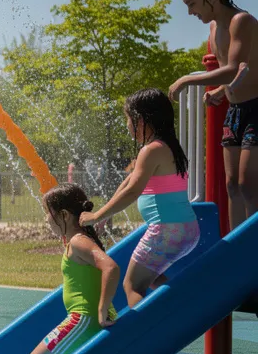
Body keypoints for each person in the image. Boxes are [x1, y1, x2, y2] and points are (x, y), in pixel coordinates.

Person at [80, 89, 198, 307]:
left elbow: (133, 191)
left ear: (141, 120)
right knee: (152, 277)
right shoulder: (167, 147)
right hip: (184, 228)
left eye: (128, 118)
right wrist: (105, 215)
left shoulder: (151, 150)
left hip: (166, 230)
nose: (126, 125)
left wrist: (96, 216)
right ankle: (176, 309)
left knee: (132, 284)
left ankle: (153, 332)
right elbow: (127, 183)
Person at [169, 0, 258, 226]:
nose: (190, 12)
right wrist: (221, 91)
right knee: (231, 186)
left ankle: (252, 251)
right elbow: (243, 73)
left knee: (248, 185)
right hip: (236, 111)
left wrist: (187, 80)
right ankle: (235, 245)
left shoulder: (241, 21)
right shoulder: (213, 28)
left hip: (256, 109)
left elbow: (232, 67)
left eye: (192, 4)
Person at [23, 184, 118, 354]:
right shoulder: (76, 240)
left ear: (64, 215)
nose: (46, 218)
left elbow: (110, 267)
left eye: (48, 213)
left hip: (83, 318)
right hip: (84, 318)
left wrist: (102, 309)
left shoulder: (78, 241)